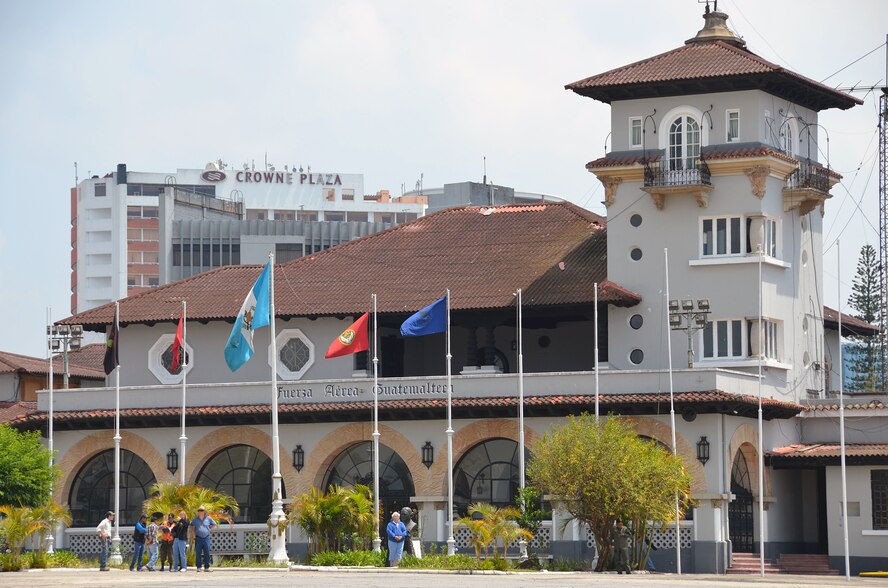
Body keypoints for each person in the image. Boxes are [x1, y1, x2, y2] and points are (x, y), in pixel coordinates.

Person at [190, 506, 217, 572]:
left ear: (204, 512)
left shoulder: (208, 519)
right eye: (199, 510)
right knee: (198, 553)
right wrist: (193, 535)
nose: (201, 512)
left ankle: (206, 567)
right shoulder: (195, 519)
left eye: (202, 510)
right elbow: (192, 526)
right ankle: (199, 567)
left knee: (207, 552)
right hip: (198, 538)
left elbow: (214, 524)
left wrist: (209, 529)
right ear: (198, 512)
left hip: (206, 537)